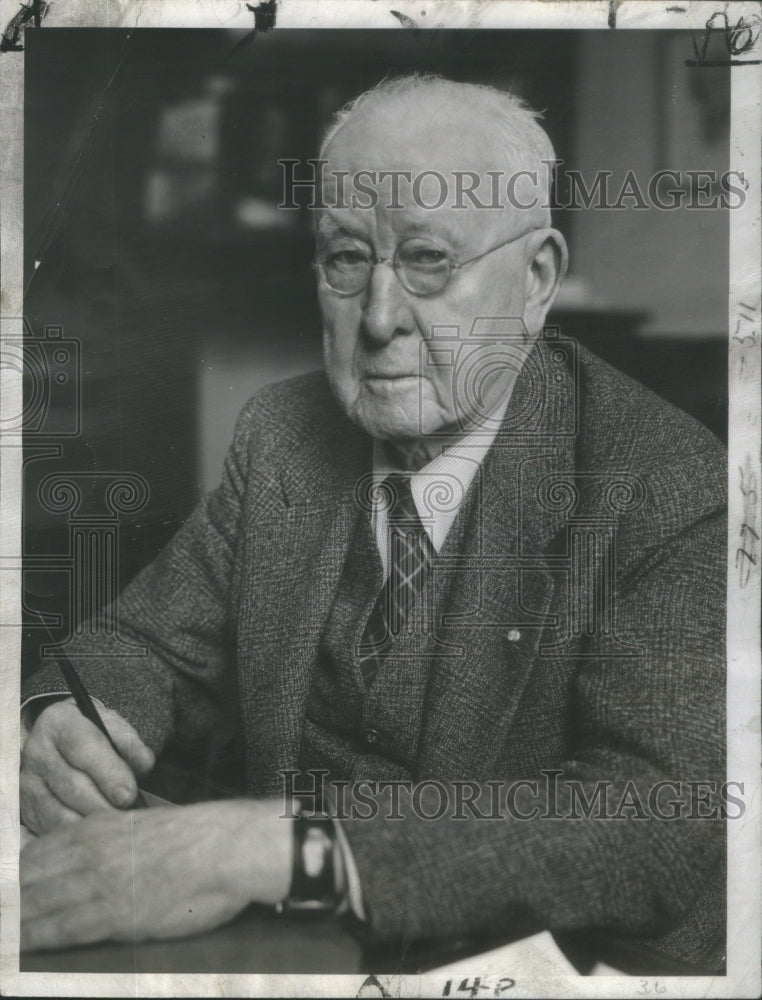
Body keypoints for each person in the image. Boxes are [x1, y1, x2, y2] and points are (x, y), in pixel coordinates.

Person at [20, 75, 727, 972]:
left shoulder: (671, 486)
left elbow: (653, 823)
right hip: (298, 960)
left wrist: (278, 848)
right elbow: (149, 646)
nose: (380, 319)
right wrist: (66, 723)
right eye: (348, 258)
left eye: (428, 259)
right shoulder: (282, 436)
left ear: (538, 278)